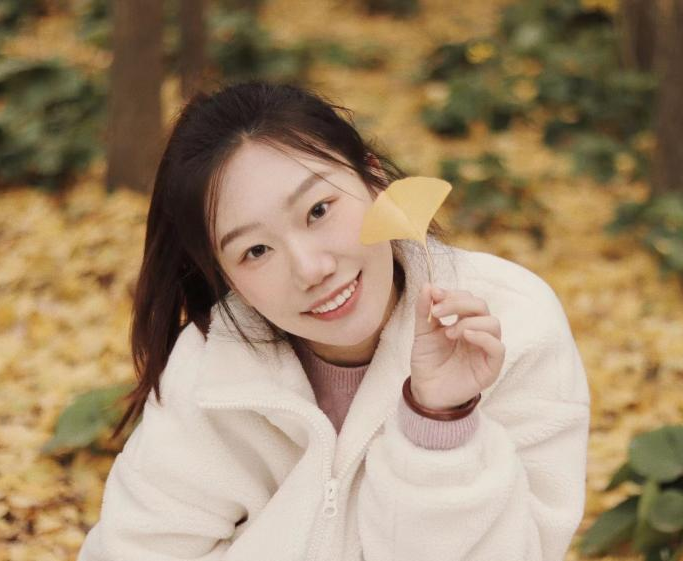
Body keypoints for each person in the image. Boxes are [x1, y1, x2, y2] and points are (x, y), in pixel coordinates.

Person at [77, 80, 591, 561]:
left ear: (373, 176)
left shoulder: (513, 322)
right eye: (256, 250)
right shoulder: (209, 371)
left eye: (318, 211)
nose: (311, 269)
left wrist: (440, 423)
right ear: (225, 275)